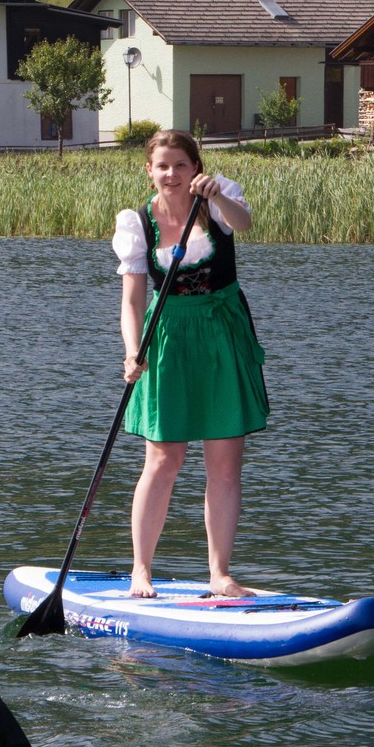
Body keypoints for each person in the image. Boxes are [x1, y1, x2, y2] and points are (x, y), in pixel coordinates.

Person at [111, 130, 270, 599]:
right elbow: (133, 300)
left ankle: (219, 573)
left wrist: (217, 193)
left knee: (224, 464)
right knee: (163, 459)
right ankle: (142, 569)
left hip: (222, 332)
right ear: (149, 170)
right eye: (163, 166)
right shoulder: (138, 222)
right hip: (169, 337)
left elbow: (243, 224)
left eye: (181, 165)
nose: (172, 175)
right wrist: (132, 349)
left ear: (195, 168)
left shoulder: (219, 198)